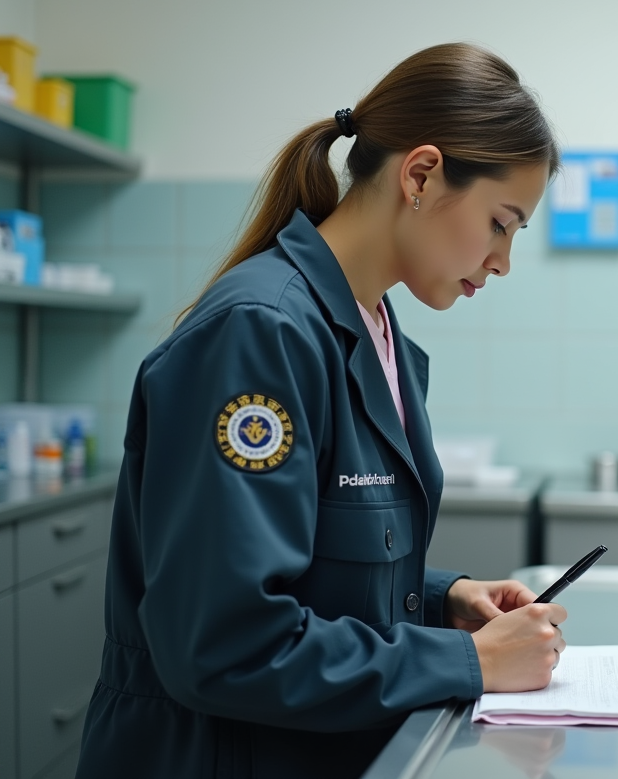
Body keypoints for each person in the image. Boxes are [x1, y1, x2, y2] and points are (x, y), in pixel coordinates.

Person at [76, 42, 566, 779]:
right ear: (422, 175)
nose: (503, 261)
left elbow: (311, 569)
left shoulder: (374, 329)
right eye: (502, 223)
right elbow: (225, 643)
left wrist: (442, 599)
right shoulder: (260, 333)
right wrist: (465, 660)